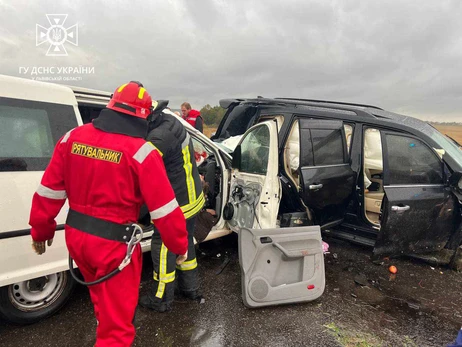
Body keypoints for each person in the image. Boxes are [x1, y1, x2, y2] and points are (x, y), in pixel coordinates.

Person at [29, 81, 188, 347]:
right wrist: (179, 245)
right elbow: (165, 211)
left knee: (104, 305)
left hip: (78, 240)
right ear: (144, 115)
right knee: (117, 329)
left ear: (111, 104)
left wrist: (40, 230)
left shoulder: (72, 137)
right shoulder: (141, 152)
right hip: (114, 247)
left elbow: (49, 192)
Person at [139, 103, 205, 312]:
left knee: (163, 248)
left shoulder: (158, 138)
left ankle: (161, 299)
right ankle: (190, 288)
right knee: (186, 244)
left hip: (177, 203)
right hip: (192, 198)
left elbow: (139, 169)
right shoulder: (172, 122)